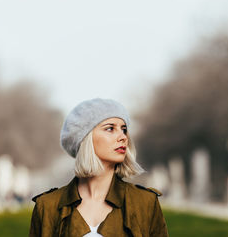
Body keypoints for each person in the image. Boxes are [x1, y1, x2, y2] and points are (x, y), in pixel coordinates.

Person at [29, 98, 168, 237]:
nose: (123, 137)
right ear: (85, 138)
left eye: (124, 129)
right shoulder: (47, 206)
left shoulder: (145, 202)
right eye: (110, 128)